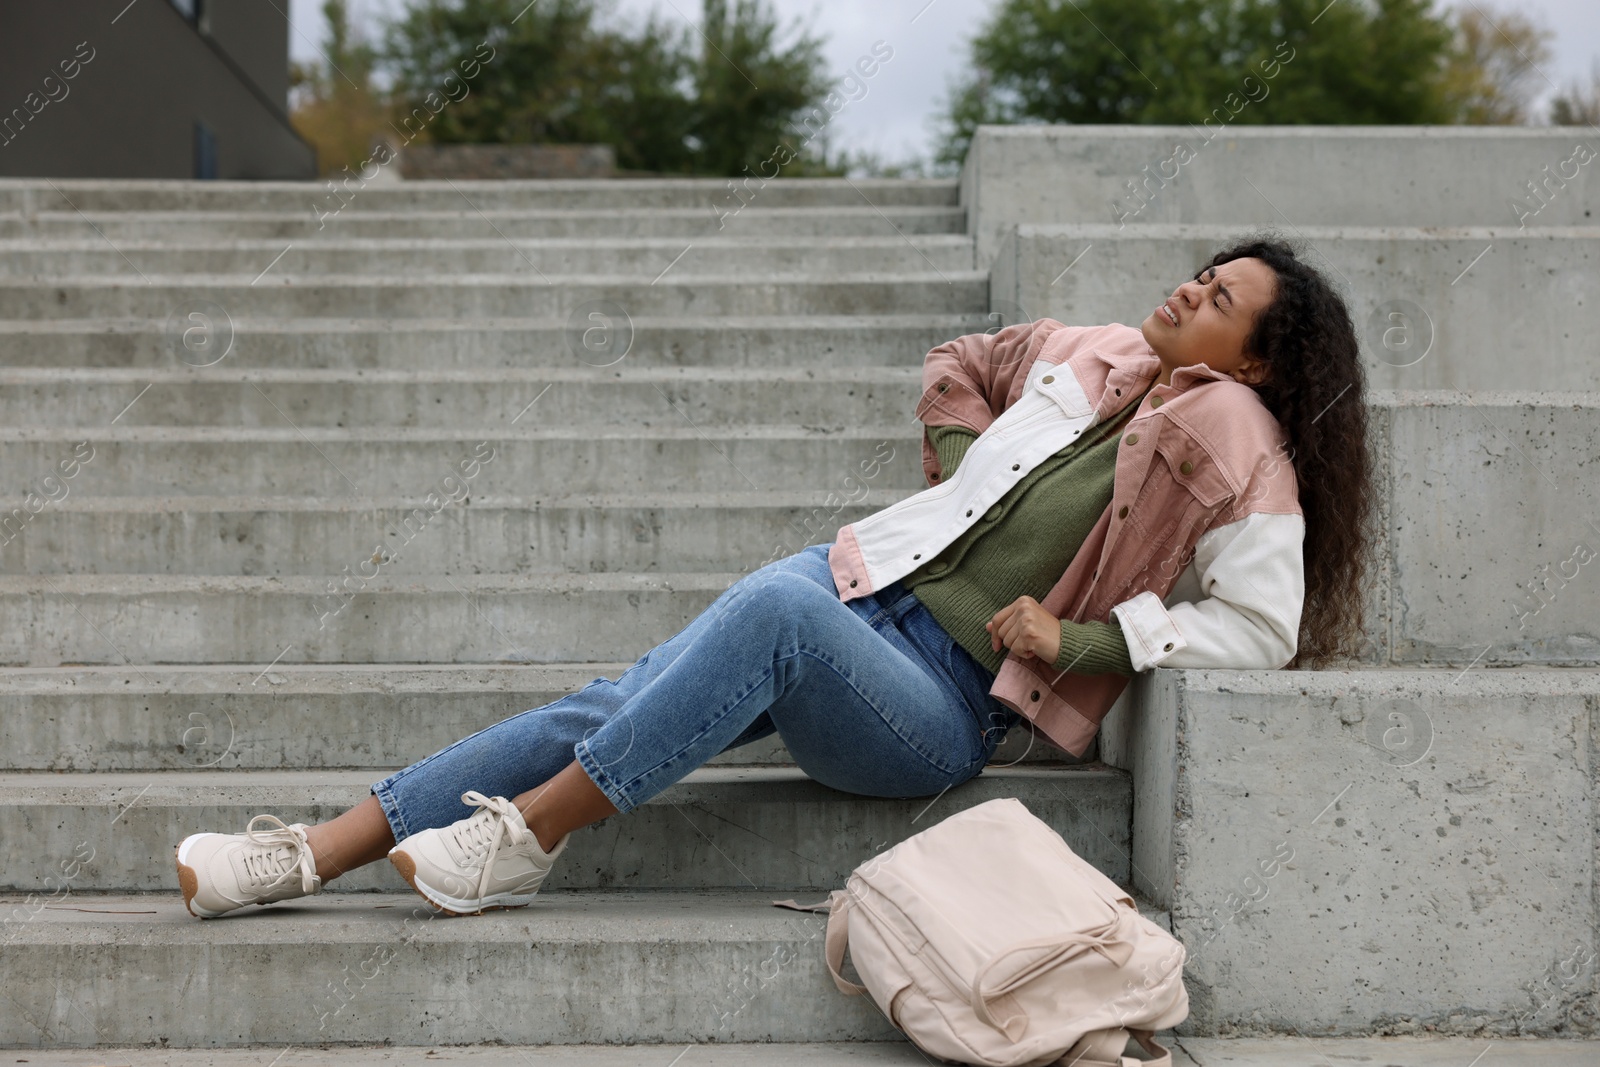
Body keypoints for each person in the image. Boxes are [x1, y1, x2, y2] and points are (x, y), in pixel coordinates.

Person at [174, 233, 1375, 919]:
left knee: (774, 607)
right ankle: (309, 853)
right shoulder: (1096, 352)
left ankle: (530, 836)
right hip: (861, 586)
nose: (1187, 290)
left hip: (935, 706)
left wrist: (1087, 644)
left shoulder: (1238, 442)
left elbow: (1260, 625)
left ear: (1263, 361)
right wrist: (954, 468)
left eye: (1219, 299)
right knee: (604, 700)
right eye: (1202, 271)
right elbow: (961, 359)